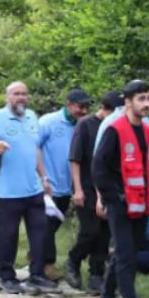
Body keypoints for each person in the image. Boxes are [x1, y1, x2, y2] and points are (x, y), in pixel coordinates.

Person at [91, 80, 149, 298]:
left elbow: (147, 164)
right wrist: (112, 197)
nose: (147, 104)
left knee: (128, 251)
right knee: (126, 254)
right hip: (119, 202)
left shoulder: (145, 129)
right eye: (141, 99)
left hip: (141, 201)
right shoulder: (114, 129)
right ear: (128, 102)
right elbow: (98, 168)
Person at [0, 81, 55, 293]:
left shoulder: (32, 117)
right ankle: (7, 276)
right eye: (17, 94)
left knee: (40, 233)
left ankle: (37, 274)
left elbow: (35, 149)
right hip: (7, 191)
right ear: (8, 97)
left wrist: (44, 178)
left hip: (33, 188)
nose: (21, 98)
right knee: (8, 236)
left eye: (24, 94)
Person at [65, 91, 123, 292]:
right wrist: (78, 189)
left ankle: (96, 273)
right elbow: (75, 158)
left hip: (108, 185)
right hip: (86, 185)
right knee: (90, 230)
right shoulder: (86, 125)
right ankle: (73, 260)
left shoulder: (116, 126)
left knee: (106, 232)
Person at [39, 89, 92, 279]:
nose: (84, 111)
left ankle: (37, 257)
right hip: (47, 185)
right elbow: (34, 147)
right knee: (46, 226)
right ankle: (46, 265)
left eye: (87, 107)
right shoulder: (48, 122)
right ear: (68, 104)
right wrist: (42, 177)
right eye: (80, 106)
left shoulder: (84, 125)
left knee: (52, 226)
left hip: (67, 186)